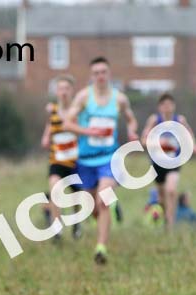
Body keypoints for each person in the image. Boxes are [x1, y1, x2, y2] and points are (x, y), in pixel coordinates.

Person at [64, 57, 138, 264]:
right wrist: (88, 131)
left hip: (109, 158)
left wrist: (132, 130)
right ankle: (108, 216)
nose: (100, 76)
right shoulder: (83, 97)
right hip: (86, 160)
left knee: (103, 199)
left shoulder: (120, 99)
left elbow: (130, 118)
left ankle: (101, 248)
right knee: (92, 207)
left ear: (109, 74)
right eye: (96, 73)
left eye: (103, 72)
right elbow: (67, 123)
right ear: (91, 76)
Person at [140, 93, 196, 230]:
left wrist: (194, 146)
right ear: (160, 107)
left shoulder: (179, 120)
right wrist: (159, 143)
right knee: (162, 197)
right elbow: (144, 141)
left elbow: (189, 134)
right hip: (157, 163)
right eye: (164, 105)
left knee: (171, 190)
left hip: (174, 161)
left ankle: (170, 224)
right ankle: (164, 220)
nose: (167, 108)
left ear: (174, 106)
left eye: (170, 105)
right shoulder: (154, 120)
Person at [40, 75, 81, 240]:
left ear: (72, 91)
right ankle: (57, 228)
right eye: (61, 89)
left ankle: (76, 224)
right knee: (54, 189)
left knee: (77, 196)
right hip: (56, 161)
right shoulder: (53, 112)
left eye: (67, 89)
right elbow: (46, 137)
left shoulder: (77, 111)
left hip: (76, 162)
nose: (63, 92)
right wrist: (46, 138)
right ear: (56, 92)